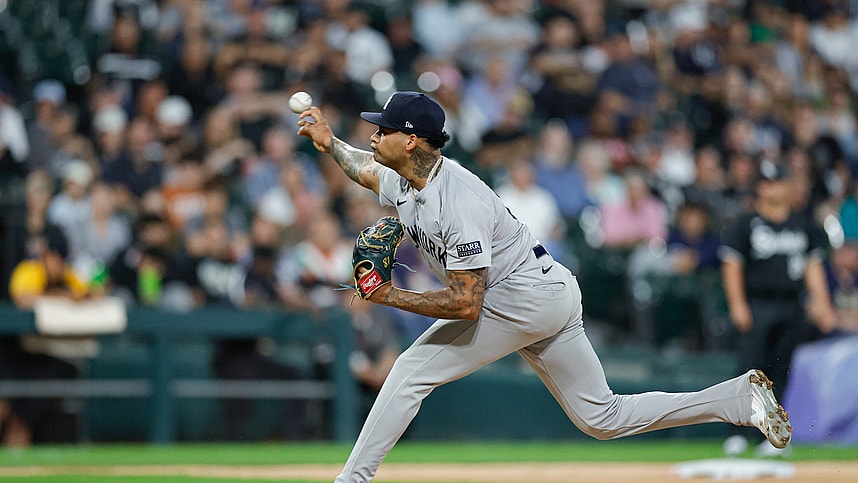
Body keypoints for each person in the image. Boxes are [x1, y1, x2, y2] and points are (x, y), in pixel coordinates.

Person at [297, 91, 792, 483]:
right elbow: (362, 169)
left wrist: (388, 295)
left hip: (519, 297)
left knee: (409, 371)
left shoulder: (458, 200)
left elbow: (467, 305)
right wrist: (329, 142)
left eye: (381, 128)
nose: (373, 135)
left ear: (411, 140)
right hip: (546, 292)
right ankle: (736, 401)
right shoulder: (403, 178)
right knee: (603, 417)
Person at [719, 158, 838, 456]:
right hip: (757, 303)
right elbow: (732, 265)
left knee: (780, 371)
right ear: (758, 188)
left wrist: (823, 304)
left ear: (787, 185)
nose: (772, 189)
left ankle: (770, 435)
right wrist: (737, 304)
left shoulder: (803, 226)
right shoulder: (745, 224)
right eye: (766, 183)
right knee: (749, 370)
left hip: (791, 305)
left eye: (777, 182)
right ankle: (736, 431)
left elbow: (813, 267)